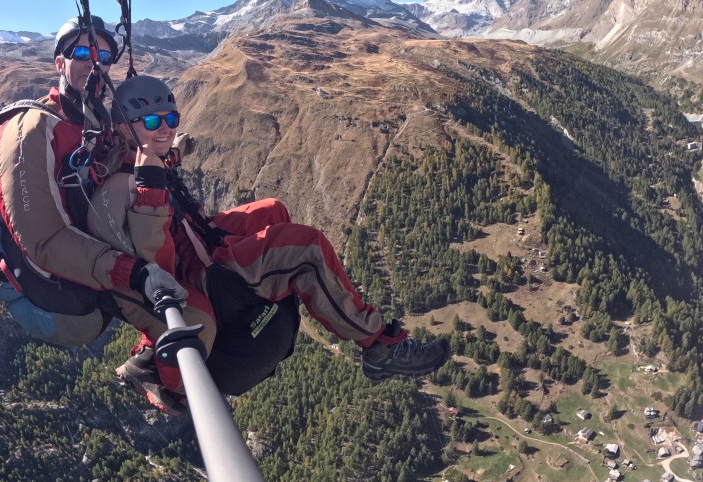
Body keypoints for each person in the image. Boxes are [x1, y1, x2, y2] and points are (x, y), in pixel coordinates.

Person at [86, 74, 452, 413]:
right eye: (152, 121)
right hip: (201, 273)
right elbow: (155, 260)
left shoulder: (140, 157)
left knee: (272, 210)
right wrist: (152, 187)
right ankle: (378, 346)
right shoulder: (127, 185)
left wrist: (172, 153)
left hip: (199, 237)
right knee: (307, 248)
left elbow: (159, 159)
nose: (165, 128)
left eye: (171, 118)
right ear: (124, 128)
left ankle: (286, 288)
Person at [0, 16, 188, 345]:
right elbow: (45, 240)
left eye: (103, 57)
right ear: (59, 63)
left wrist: (170, 152)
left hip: (93, 266)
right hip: (59, 298)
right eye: (82, 54)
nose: (95, 64)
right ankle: (153, 365)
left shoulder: (90, 120)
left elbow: (121, 161)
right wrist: (132, 273)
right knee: (197, 323)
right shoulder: (32, 129)